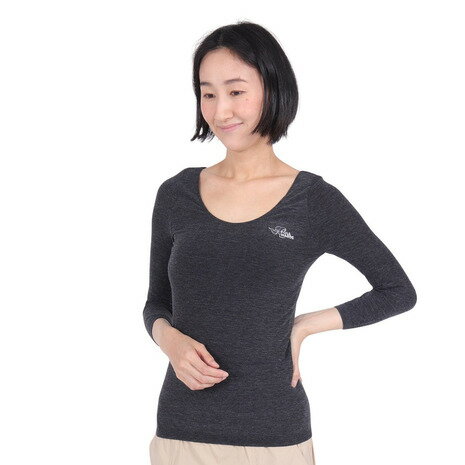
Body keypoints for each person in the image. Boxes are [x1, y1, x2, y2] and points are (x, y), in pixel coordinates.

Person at [143, 21, 417, 465]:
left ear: (273, 89)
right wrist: (169, 339)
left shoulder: (312, 200)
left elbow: (398, 291)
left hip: (274, 436)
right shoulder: (176, 194)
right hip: (181, 432)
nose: (221, 110)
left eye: (236, 91)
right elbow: (156, 303)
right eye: (208, 93)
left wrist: (304, 325)